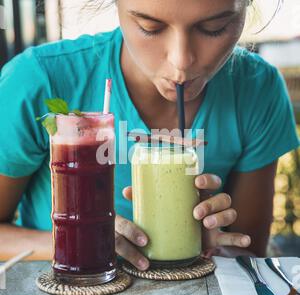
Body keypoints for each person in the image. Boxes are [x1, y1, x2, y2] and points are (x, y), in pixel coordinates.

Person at [0, 0, 299, 271]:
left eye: (214, 28)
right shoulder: (38, 81)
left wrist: (215, 244)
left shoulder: (257, 89)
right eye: (149, 27)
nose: (181, 61)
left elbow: (248, 253)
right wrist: (82, 239)